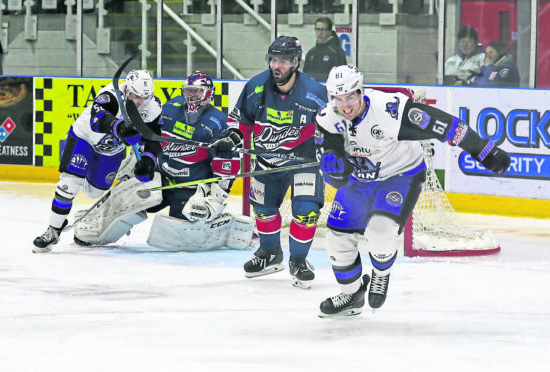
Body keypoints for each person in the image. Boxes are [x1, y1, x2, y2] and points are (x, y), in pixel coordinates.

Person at [315, 64, 511, 317]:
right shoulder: (326, 119)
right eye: (338, 99)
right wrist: (333, 170)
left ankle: (381, 274)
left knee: (381, 231)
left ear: (361, 91)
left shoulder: (390, 110)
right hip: (359, 181)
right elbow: (332, 165)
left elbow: (443, 124)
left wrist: (483, 149)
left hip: (401, 175)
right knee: (337, 238)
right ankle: (351, 294)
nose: (346, 105)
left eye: (351, 96)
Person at [71, 71, 251, 251]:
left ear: (208, 93)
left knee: (176, 236)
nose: (192, 96)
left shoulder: (217, 122)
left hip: (190, 189)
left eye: (197, 92)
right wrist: (136, 160)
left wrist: (217, 197)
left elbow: (227, 163)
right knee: (127, 201)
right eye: (189, 91)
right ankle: (100, 226)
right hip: (161, 180)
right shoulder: (171, 108)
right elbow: (149, 137)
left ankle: (224, 225)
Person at [211, 36, 329, 289]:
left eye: (284, 61)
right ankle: (269, 254)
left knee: (306, 213)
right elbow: (241, 125)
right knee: (263, 211)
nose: (277, 66)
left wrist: (334, 148)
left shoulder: (315, 93)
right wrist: (230, 140)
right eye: (273, 59)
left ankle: (299, 261)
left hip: (303, 164)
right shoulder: (255, 87)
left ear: (296, 62)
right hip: (266, 162)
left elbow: (333, 127)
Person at [32, 70, 163, 253]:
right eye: (135, 96)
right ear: (126, 90)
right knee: (68, 185)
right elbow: (97, 120)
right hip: (84, 139)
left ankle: (103, 170)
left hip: (111, 152)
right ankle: (53, 230)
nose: (140, 102)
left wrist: (148, 160)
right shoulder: (110, 94)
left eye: (144, 97)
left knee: (95, 193)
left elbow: (154, 139)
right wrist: (119, 128)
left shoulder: (154, 107)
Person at [303, 17, 347, 82]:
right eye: (317, 29)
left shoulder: (337, 53)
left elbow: (342, 77)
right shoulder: (311, 53)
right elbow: (305, 76)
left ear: (329, 31)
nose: (320, 33)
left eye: (323, 30)